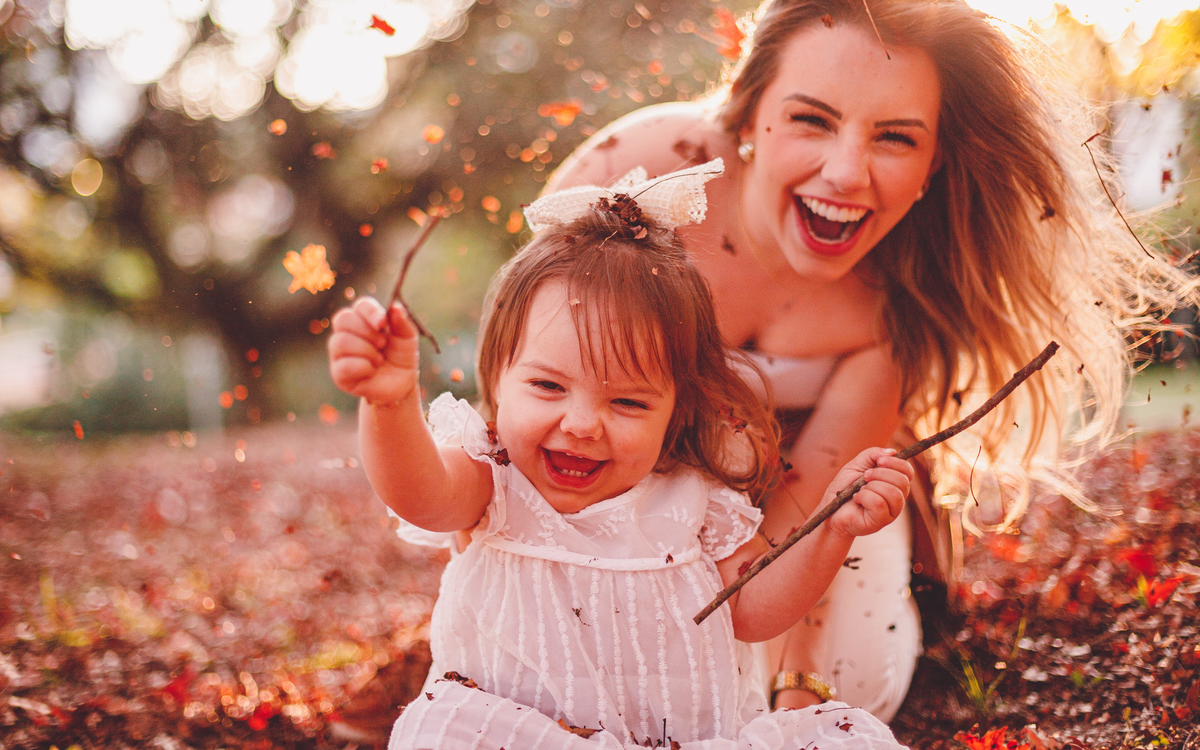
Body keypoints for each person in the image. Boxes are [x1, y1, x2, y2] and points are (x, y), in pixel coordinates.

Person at [545, 0, 1196, 720]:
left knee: (847, 682)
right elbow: (525, 383)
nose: (847, 173)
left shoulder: (906, 298)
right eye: (812, 119)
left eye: (894, 137)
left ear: (933, 161)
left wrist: (798, 677)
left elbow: (805, 515)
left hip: (796, 499)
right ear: (750, 113)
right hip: (616, 472)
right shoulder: (639, 175)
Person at [326, 160, 916, 748]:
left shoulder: (693, 501)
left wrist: (830, 530)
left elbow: (755, 612)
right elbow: (420, 495)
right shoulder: (496, 477)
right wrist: (390, 403)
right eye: (548, 387)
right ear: (498, 378)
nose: (582, 425)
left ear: (677, 411)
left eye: (629, 403)